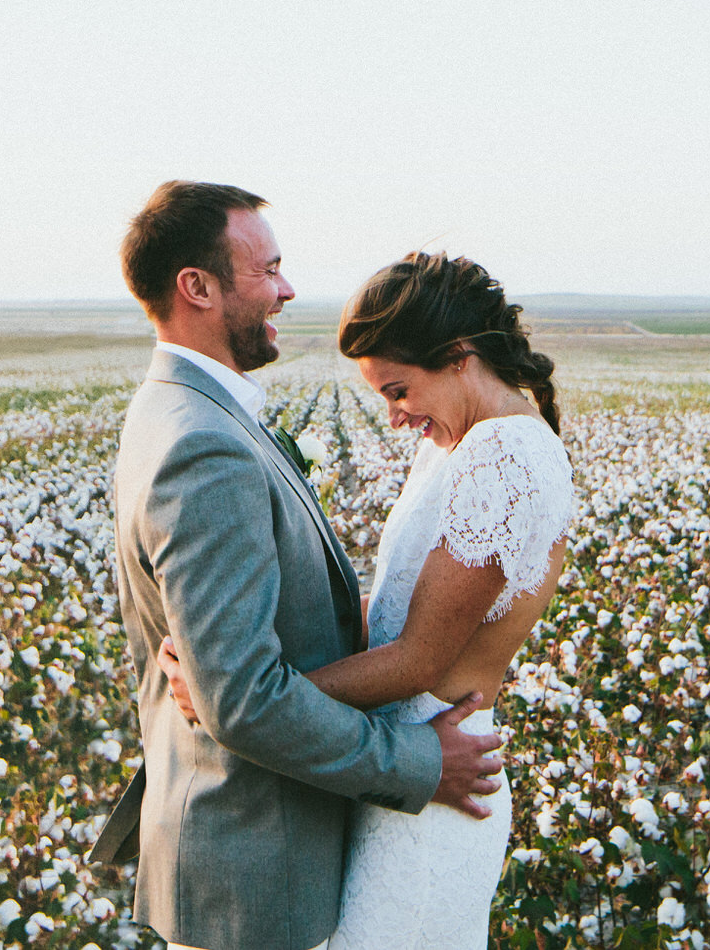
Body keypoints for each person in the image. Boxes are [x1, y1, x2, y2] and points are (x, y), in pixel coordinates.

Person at [88, 183, 507, 950]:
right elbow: (243, 699)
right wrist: (417, 761)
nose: (286, 288)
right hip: (255, 879)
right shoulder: (202, 444)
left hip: (252, 858)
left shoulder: (176, 410)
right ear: (198, 287)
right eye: (268, 269)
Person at [160, 250, 578, 949]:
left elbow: (417, 660)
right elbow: (389, 609)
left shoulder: (503, 457)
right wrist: (231, 654)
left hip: (435, 783)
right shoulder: (461, 443)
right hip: (402, 766)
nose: (392, 417)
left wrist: (248, 699)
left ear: (457, 354)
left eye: (398, 389)